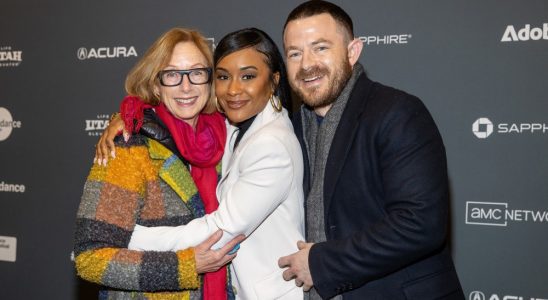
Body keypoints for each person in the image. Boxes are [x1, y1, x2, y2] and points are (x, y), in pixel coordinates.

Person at [97, 28, 305, 300]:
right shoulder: (224, 128)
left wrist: (130, 237)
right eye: (223, 77)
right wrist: (129, 115)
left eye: (248, 76)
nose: (233, 89)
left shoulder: (270, 144)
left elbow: (220, 231)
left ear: (274, 80)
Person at [277, 1, 465, 299]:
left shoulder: (398, 112)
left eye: (321, 48)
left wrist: (321, 263)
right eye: (294, 53)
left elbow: (420, 223)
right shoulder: (290, 128)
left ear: (352, 52)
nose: (306, 64)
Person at [74, 27, 244, 299]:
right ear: (156, 84)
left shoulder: (227, 139)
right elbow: (91, 257)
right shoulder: (130, 147)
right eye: (172, 74)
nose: (186, 87)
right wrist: (186, 266)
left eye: (197, 73)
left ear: (211, 81)